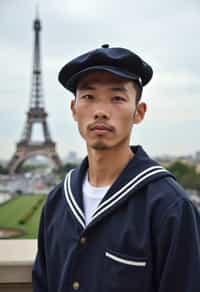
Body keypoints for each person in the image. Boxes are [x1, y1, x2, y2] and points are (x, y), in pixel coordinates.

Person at [32, 44, 200, 292]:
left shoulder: (170, 207)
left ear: (139, 112)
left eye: (117, 98)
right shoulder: (57, 201)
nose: (100, 111)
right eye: (88, 97)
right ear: (73, 109)